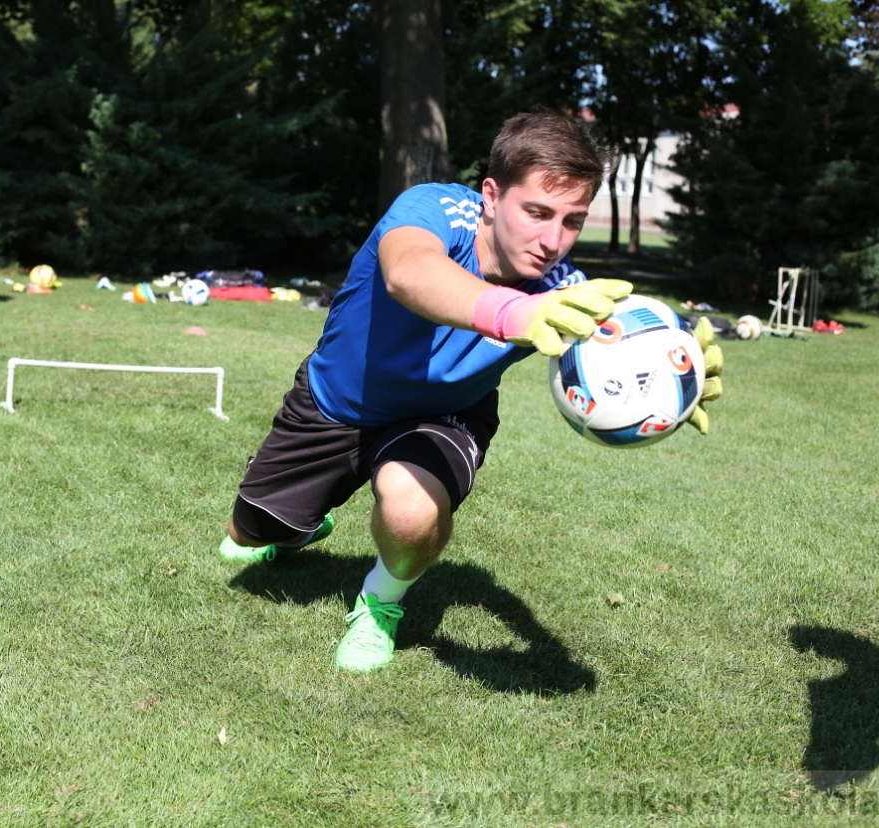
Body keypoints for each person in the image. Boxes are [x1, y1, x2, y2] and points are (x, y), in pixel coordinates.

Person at [217, 111, 722, 672]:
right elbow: (409, 273)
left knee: (411, 514)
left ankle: (380, 602)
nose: (553, 240)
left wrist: (678, 373)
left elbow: (624, 345)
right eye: (536, 212)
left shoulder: (561, 290)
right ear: (491, 195)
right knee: (251, 536)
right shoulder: (434, 210)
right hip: (335, 402)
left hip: (443, 415)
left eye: (572, 221)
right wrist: (516, 313)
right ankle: (299, 523)